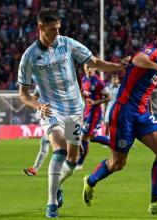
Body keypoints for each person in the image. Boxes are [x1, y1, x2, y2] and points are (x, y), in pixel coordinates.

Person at [18, 9, 129, 218]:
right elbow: (23, 93)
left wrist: (117, 66)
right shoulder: (29, 57)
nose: (57, 33)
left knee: (73, 157)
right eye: (52, 30)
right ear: (40, 28)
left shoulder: (67, 43)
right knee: (59, 150)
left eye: (59, 29)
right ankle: (51, 205)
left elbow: (93, 62)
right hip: (51, 109)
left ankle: (56, 184)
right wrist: (38, 106)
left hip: (76, 109)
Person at [82, 25, 157, 215]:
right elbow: (138, 59)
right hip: (124, 113)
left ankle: (156, 202)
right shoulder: (152, 51)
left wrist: (150, 110)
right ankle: (91, 181)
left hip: (142, 114)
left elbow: (145, 86)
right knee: (118, 163)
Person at [76, 64, 111, 170]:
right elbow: (83, 93)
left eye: (91, 67)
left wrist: (95, 102)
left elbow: (109, 97)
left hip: (94, 113)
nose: (88, 69)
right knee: (91, 137)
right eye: (87, 67)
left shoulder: (98, 82)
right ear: (84, 68)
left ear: (95, 68)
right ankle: (113, 143)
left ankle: (79, 164)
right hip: (86, 111)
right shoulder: (84, 79)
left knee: (84, 137)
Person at [23, 91, 51, 177]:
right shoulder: (40, 85)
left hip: (53, 118)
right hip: (47, 118)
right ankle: (34, 169)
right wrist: (33, 99)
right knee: (45, 142)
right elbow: (35, 97)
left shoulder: (52, 86)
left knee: (49, 143)